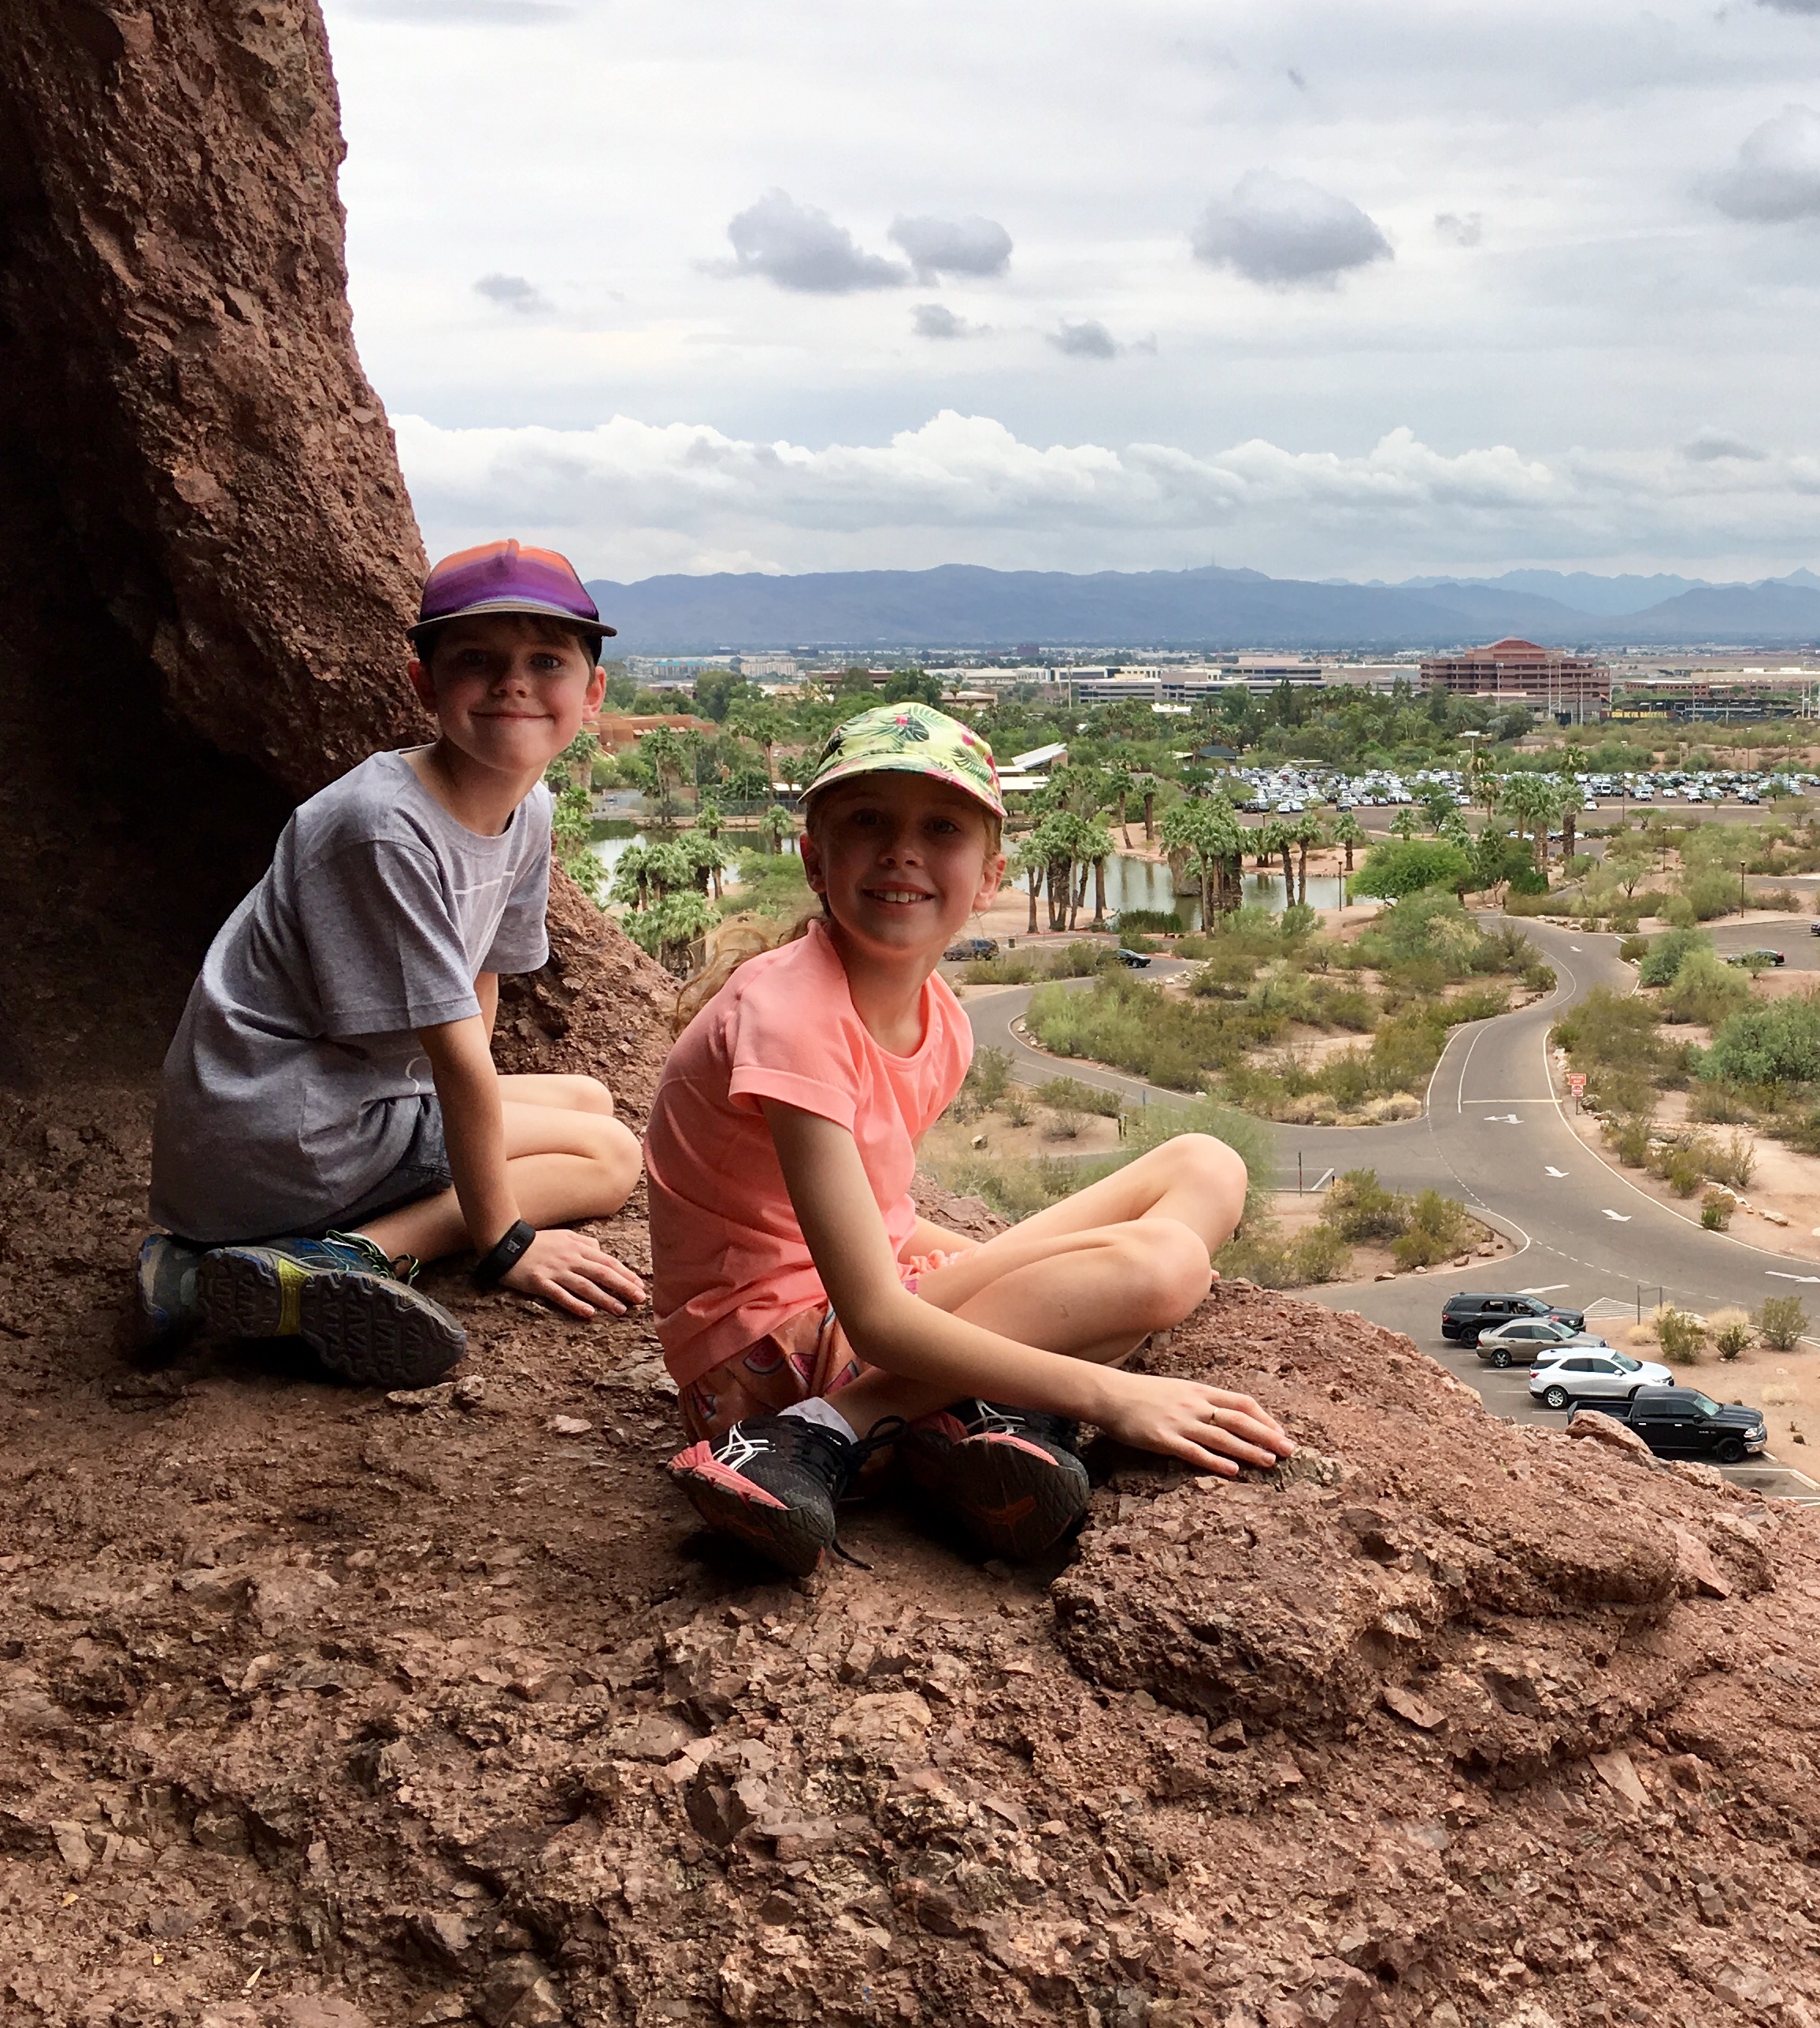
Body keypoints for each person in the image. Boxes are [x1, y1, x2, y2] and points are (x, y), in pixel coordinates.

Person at [647, 702, 1288, 1577]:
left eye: (940, 827)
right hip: (763, 1361)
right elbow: (877, 1318)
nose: (901, 851)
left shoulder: (936, 1018)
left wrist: (1029, 1287)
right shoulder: (790, 1015)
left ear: (989, 876)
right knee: (1165, 1265)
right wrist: (1113, 1394)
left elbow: (883, 1219)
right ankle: (818, 1436)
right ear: (814, 858)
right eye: (866, 820)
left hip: (851, 1316)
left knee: (1204, 1162)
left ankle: (947, 1425)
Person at [133, 540, 647, 1386]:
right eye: (475, 659)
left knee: (587, 1097)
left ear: (591, 692)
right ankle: (345, 1256)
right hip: (280, 1129)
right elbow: (455, 1057)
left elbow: (480, 981)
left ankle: (204, 1263)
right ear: (423, 684)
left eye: (545, 661)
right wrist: (504, 1238)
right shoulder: (382, 827)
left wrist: (458, 1123)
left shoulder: (527, 809)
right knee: (609, 1155)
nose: (512, 683)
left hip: (305, 1111)